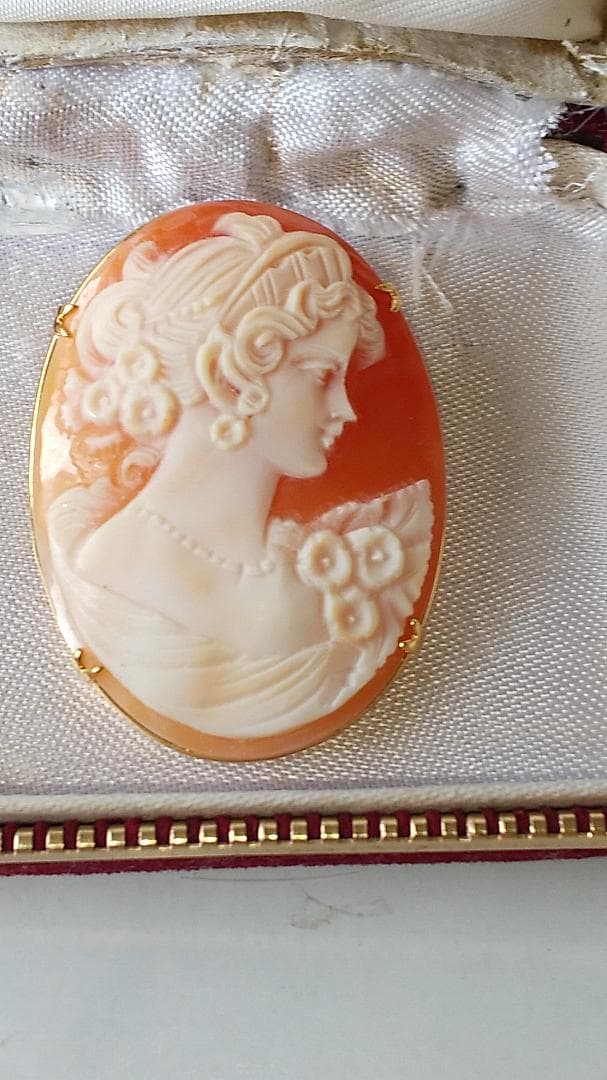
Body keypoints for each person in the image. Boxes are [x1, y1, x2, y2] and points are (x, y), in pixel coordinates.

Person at [49, 210, 433, 740]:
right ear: (228, 379)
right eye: (322, 375)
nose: (346, 409)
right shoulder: (116, 570)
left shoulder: (318, 561)